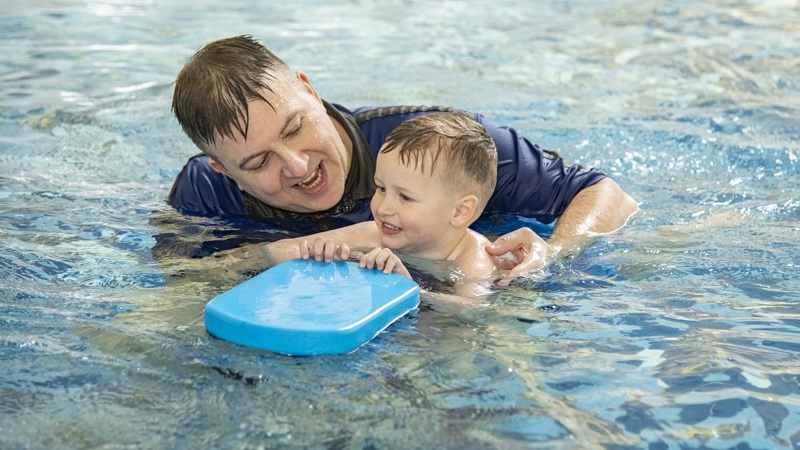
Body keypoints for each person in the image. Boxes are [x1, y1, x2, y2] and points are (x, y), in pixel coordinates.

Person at [169, 35, 638, 275]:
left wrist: (555, 252)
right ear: (221, 168)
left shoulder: (433, 149)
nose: (296, 165)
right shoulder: (204, 192)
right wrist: (277, 254)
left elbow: (604, 192)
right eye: (257, 163)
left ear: (309, 91)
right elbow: (183, 290)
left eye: (296, 127)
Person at [264, 111, 539, 285]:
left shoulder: (475, 262)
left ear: (460, 212)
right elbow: (275, 250)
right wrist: (318, 254)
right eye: (381, 188)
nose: (383, 208)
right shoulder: (375, 234)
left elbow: (466, 318)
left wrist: (409, 289)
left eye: (405, 197)